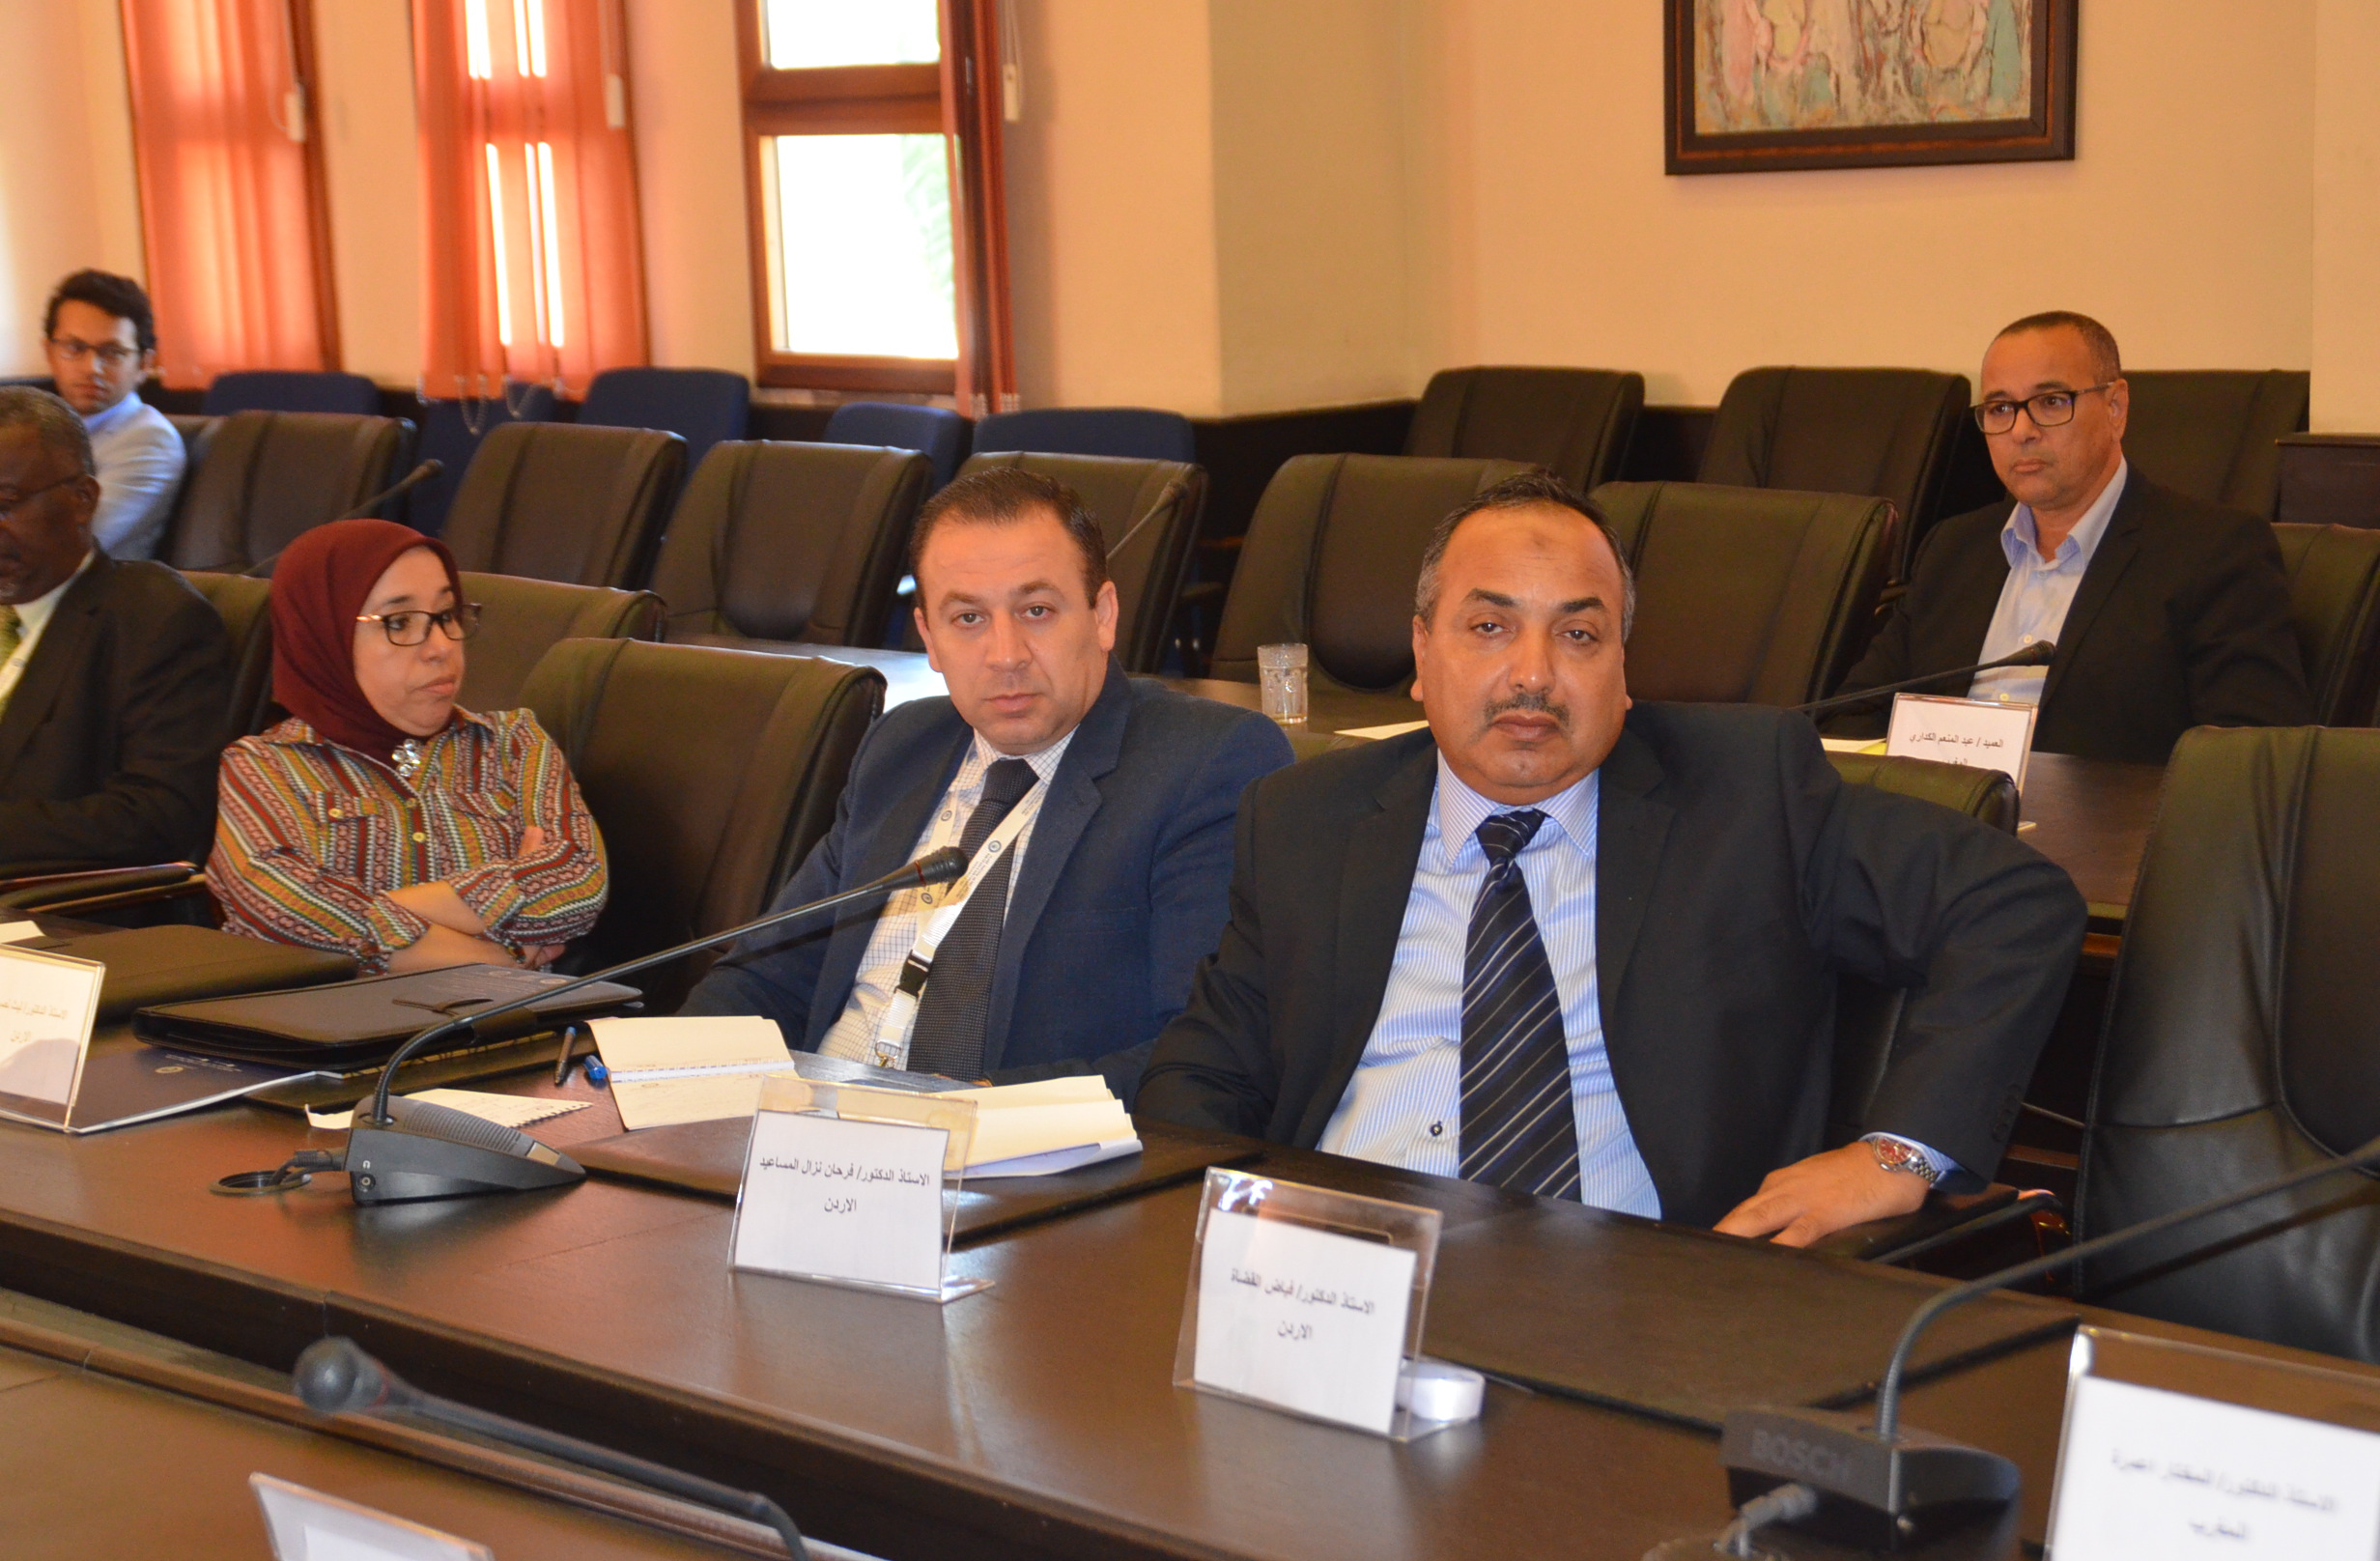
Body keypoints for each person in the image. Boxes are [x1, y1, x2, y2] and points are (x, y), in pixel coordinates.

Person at [1137, 473, 2085, 1244]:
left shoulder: (1747, 798)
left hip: (1634, 1302)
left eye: (1579, 634)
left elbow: (2012, 904)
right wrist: (1231, 1241)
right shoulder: (1306, 820)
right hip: (1342, 1284)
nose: (1534, 674)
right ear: (1421, 654)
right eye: (1489, 627)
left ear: (1624, 670)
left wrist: (1898, 1153)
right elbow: (1203, 1077)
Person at [682, 468, 1293, 1097]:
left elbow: (1203, 1050)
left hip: (1015, 1141)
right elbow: (764, 978)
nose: (1006, 654)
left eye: (1036, 611)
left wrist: (971, 1115)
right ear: (930, 638)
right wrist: (656, 1084)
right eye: (968, 617)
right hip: (813, 1125)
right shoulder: (901, 748)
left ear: (1103, 615)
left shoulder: (1204, 763)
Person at [1826, 311, 2310, 762]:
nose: (2021, 431)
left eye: (2051, 402)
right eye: (2000, 408)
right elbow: (1852, 717)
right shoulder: (1954, 547)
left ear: (2115, 407)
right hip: (1937, 814)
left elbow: (2250, 761)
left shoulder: (2214, 552)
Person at [208, 520, 607, 973]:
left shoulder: (513, 743)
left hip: (510, 1018)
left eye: (447, 615)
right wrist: (506, 957)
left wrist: (367, 915)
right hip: (331, 1018)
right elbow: (283, 906)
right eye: (399, 622)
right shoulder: (262, 766)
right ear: (322, 636)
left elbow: (578, 885)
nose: (441, 647)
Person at [0, 387, 229, 868]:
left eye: (6, 503)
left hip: (52, 899)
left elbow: (157, 817)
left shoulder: (155, 620)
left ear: (82, 499)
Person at [41, 270, 185, 562]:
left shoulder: (149, 441)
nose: (92, 368)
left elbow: (66, 545)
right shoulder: (38, 426)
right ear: (50, 353)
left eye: (112, 352)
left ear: (144, 364)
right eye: (75, 348)